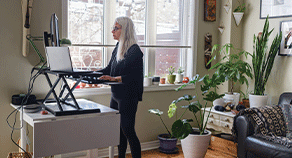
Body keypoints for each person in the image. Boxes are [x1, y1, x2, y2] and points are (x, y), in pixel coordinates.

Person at [97, 16, 143, 158]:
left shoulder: (135, 51)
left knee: (128, 131)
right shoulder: (118, 47)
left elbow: (135, 77)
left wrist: (115, 78)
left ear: (125, 30)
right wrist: (90, 73)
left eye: (116, 28)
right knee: (118, 133)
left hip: (128, 96)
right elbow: (109, 68)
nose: (112, 31)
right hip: (116, 95)